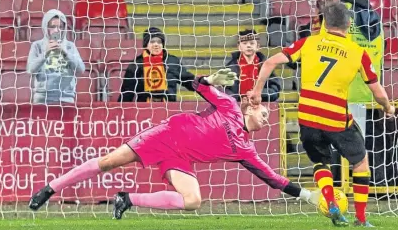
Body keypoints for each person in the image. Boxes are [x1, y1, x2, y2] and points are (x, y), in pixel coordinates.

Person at [29, 69, 319, 217]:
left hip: (181, 160)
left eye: (268, 116)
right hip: (165, 136)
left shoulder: (246, 149)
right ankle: (49, 188)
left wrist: (308, 196)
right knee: (107, 163)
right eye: (265, 113)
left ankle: (127, 199)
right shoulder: (230, 105)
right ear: (250, 108)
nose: (267, 118)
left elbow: (274, 179)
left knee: (193, 201)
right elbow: (197, 86)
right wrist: (210, 78)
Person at [250, 2, 395, 228]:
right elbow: (377, 91)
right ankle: (361, 219)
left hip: (307, 116)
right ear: (349, 24)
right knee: (360, 163)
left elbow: (269, 62)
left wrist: (258, 91)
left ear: (325, 23)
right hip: (335, 118)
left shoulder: (308, 42)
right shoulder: (358, 53)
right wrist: (388, 108)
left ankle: (331, 204)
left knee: (320, 161)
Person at [300, 0, 384, 105]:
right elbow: (380, 55)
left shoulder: (335, 14)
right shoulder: (376, 19)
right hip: (367, 94)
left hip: (339, 93)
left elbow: (323, 50)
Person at [118, 27, 195, 102]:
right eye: (152, 41)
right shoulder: (136, 64)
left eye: (159, 42)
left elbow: (189, 81)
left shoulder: (172, 61)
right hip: (144, 110)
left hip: (169, 109)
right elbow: (126, 94)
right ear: (146, 45)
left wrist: (203, 81)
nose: (156, 44)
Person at [27, 9, 85, 104]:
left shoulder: (70, 46)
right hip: (42, 99)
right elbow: (30, 70)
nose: (57, 30)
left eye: (60, 27)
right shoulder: (37, 46)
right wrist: (45, 54)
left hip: (66, 99)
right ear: (45, 27)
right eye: (52, 27)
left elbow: (81, 70)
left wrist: (65, 53)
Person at [225, 29, 281, 103]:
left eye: (252, 43)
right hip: (237, 106)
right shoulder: (230, 67)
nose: (248, 46)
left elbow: (274, 91)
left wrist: (258, 93)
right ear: (239, 47)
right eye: (244, 43)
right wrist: (238, 97)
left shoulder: (266, 66)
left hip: (261, 106)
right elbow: (224, 90)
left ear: (258, 46)